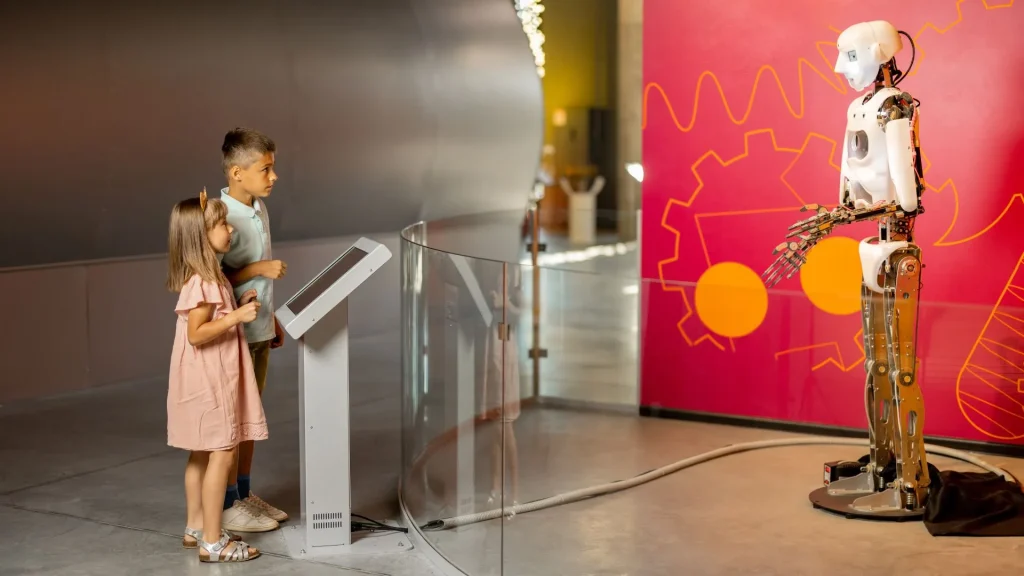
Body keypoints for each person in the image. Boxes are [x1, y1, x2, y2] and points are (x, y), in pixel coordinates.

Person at [166, 189, 267, 562]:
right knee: (222, 452)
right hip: (211, 379)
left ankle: (195, 526)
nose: (231, 230)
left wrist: (236, 305)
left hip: (200, 379)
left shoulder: (207, 277)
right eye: (222, 224)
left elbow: (207, 321)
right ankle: (213, 541)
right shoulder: (206, 281)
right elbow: (197, 333)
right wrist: (237, 318)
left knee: (199, 453)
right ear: (200, 236)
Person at [216, 127, 289, 532]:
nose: (273, 176)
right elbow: (215, 278)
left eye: (272, 167)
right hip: (233, 335)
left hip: (258, 329)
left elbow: (254, 285)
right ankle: (227, 503)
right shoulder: (220, 216)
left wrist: (270, 317)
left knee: (251, 421)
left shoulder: (259, 207)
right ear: (236, 172)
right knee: (234, 421)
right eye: (265, 169)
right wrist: (260, 269)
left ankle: (243, 495)